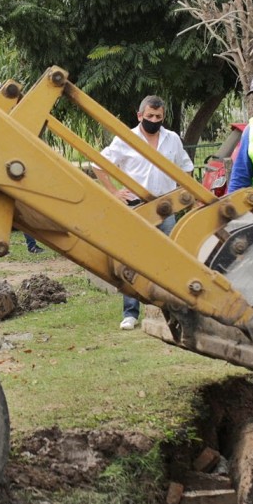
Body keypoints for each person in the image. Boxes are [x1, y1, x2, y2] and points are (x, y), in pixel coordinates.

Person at [92, 95, 195, 330]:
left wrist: (182, 195)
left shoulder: (172, 139)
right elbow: (99, 164)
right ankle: (130, 313)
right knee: (132, 259)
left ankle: (172, 310)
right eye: (150, 116)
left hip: (165, 206)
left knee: (169, 258)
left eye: (158, 116)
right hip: (136, 207)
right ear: (140, 116)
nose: (154, 120)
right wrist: (113, 192)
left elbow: (186, 168)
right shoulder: (125, 139)